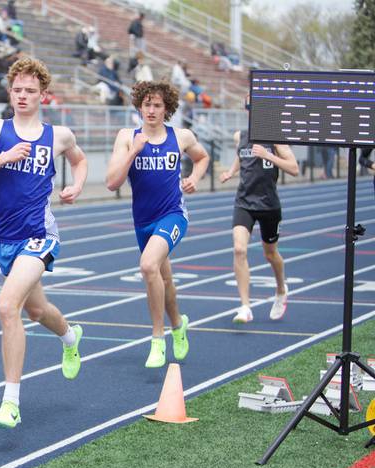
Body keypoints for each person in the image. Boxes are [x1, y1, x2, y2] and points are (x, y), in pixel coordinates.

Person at [0, 57, 88, 429]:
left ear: (43, 95)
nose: (23, 96)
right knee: (37, 310)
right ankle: (69, 335)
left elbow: (79, 162)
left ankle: (10, 403)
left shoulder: (58, 135)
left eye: (31, 90)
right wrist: (3, 157)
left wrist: (76, 186)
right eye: (17, 90)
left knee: (6, 306)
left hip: (40, 235)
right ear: (9, 91)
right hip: (4, 238)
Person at [106, 81, 209, 368]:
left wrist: (194, 178)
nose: (151, 110)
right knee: (164, 279)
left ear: (167, 109)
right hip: (143, 220)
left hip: (173, 214)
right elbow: (112, 182)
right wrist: (133, 152)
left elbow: (202, 158)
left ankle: (157, 339)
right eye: (147, 104)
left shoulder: (181, 136)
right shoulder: (127, 137)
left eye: (157, 105)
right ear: (139, 105)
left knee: (148, 265)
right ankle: (178, 325)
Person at [219, 96, 298, 324]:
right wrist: (231, 173)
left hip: (268, 205)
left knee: (270, 254)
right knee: (239, 249)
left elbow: (294, 168)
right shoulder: (240, 136)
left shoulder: (276, 139)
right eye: (249, 109)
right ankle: (245, 306)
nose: (252, 114)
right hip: (244, 202)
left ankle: (281, 289)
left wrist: (268, 155)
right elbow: (240, 156)